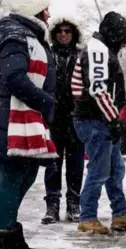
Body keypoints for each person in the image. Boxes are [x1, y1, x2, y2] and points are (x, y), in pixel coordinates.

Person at [0, 0, 57, 249]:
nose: (49, 14)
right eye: (45, 9)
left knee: (26, 173)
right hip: (12, 117)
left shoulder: (29, 36)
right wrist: (47, 102)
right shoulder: (15, 35)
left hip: (25, 117)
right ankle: (6, 242)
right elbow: (14, 77)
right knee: (12, 176)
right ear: (33, 10)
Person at [71, 11, 126, 234]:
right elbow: (98, 89)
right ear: (115, 35)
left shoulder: (103, 49)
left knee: (115, 169)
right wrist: (114, 119)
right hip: (94, 119)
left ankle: (121, 213)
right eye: (123, 38)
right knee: (99, 170)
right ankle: (87, 216)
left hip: (100, 118)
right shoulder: (97, 50)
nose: (124, 44)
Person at [41, 16, 85, 225]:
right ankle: (52, 204)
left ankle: (74, 203)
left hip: (76, 116)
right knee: (53, 162)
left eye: (68, 31)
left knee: (76, 162)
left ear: (74, 34)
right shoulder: (47, 54)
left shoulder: (81, 55)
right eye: (60, 30)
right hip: (53, 116)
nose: (64, 34)